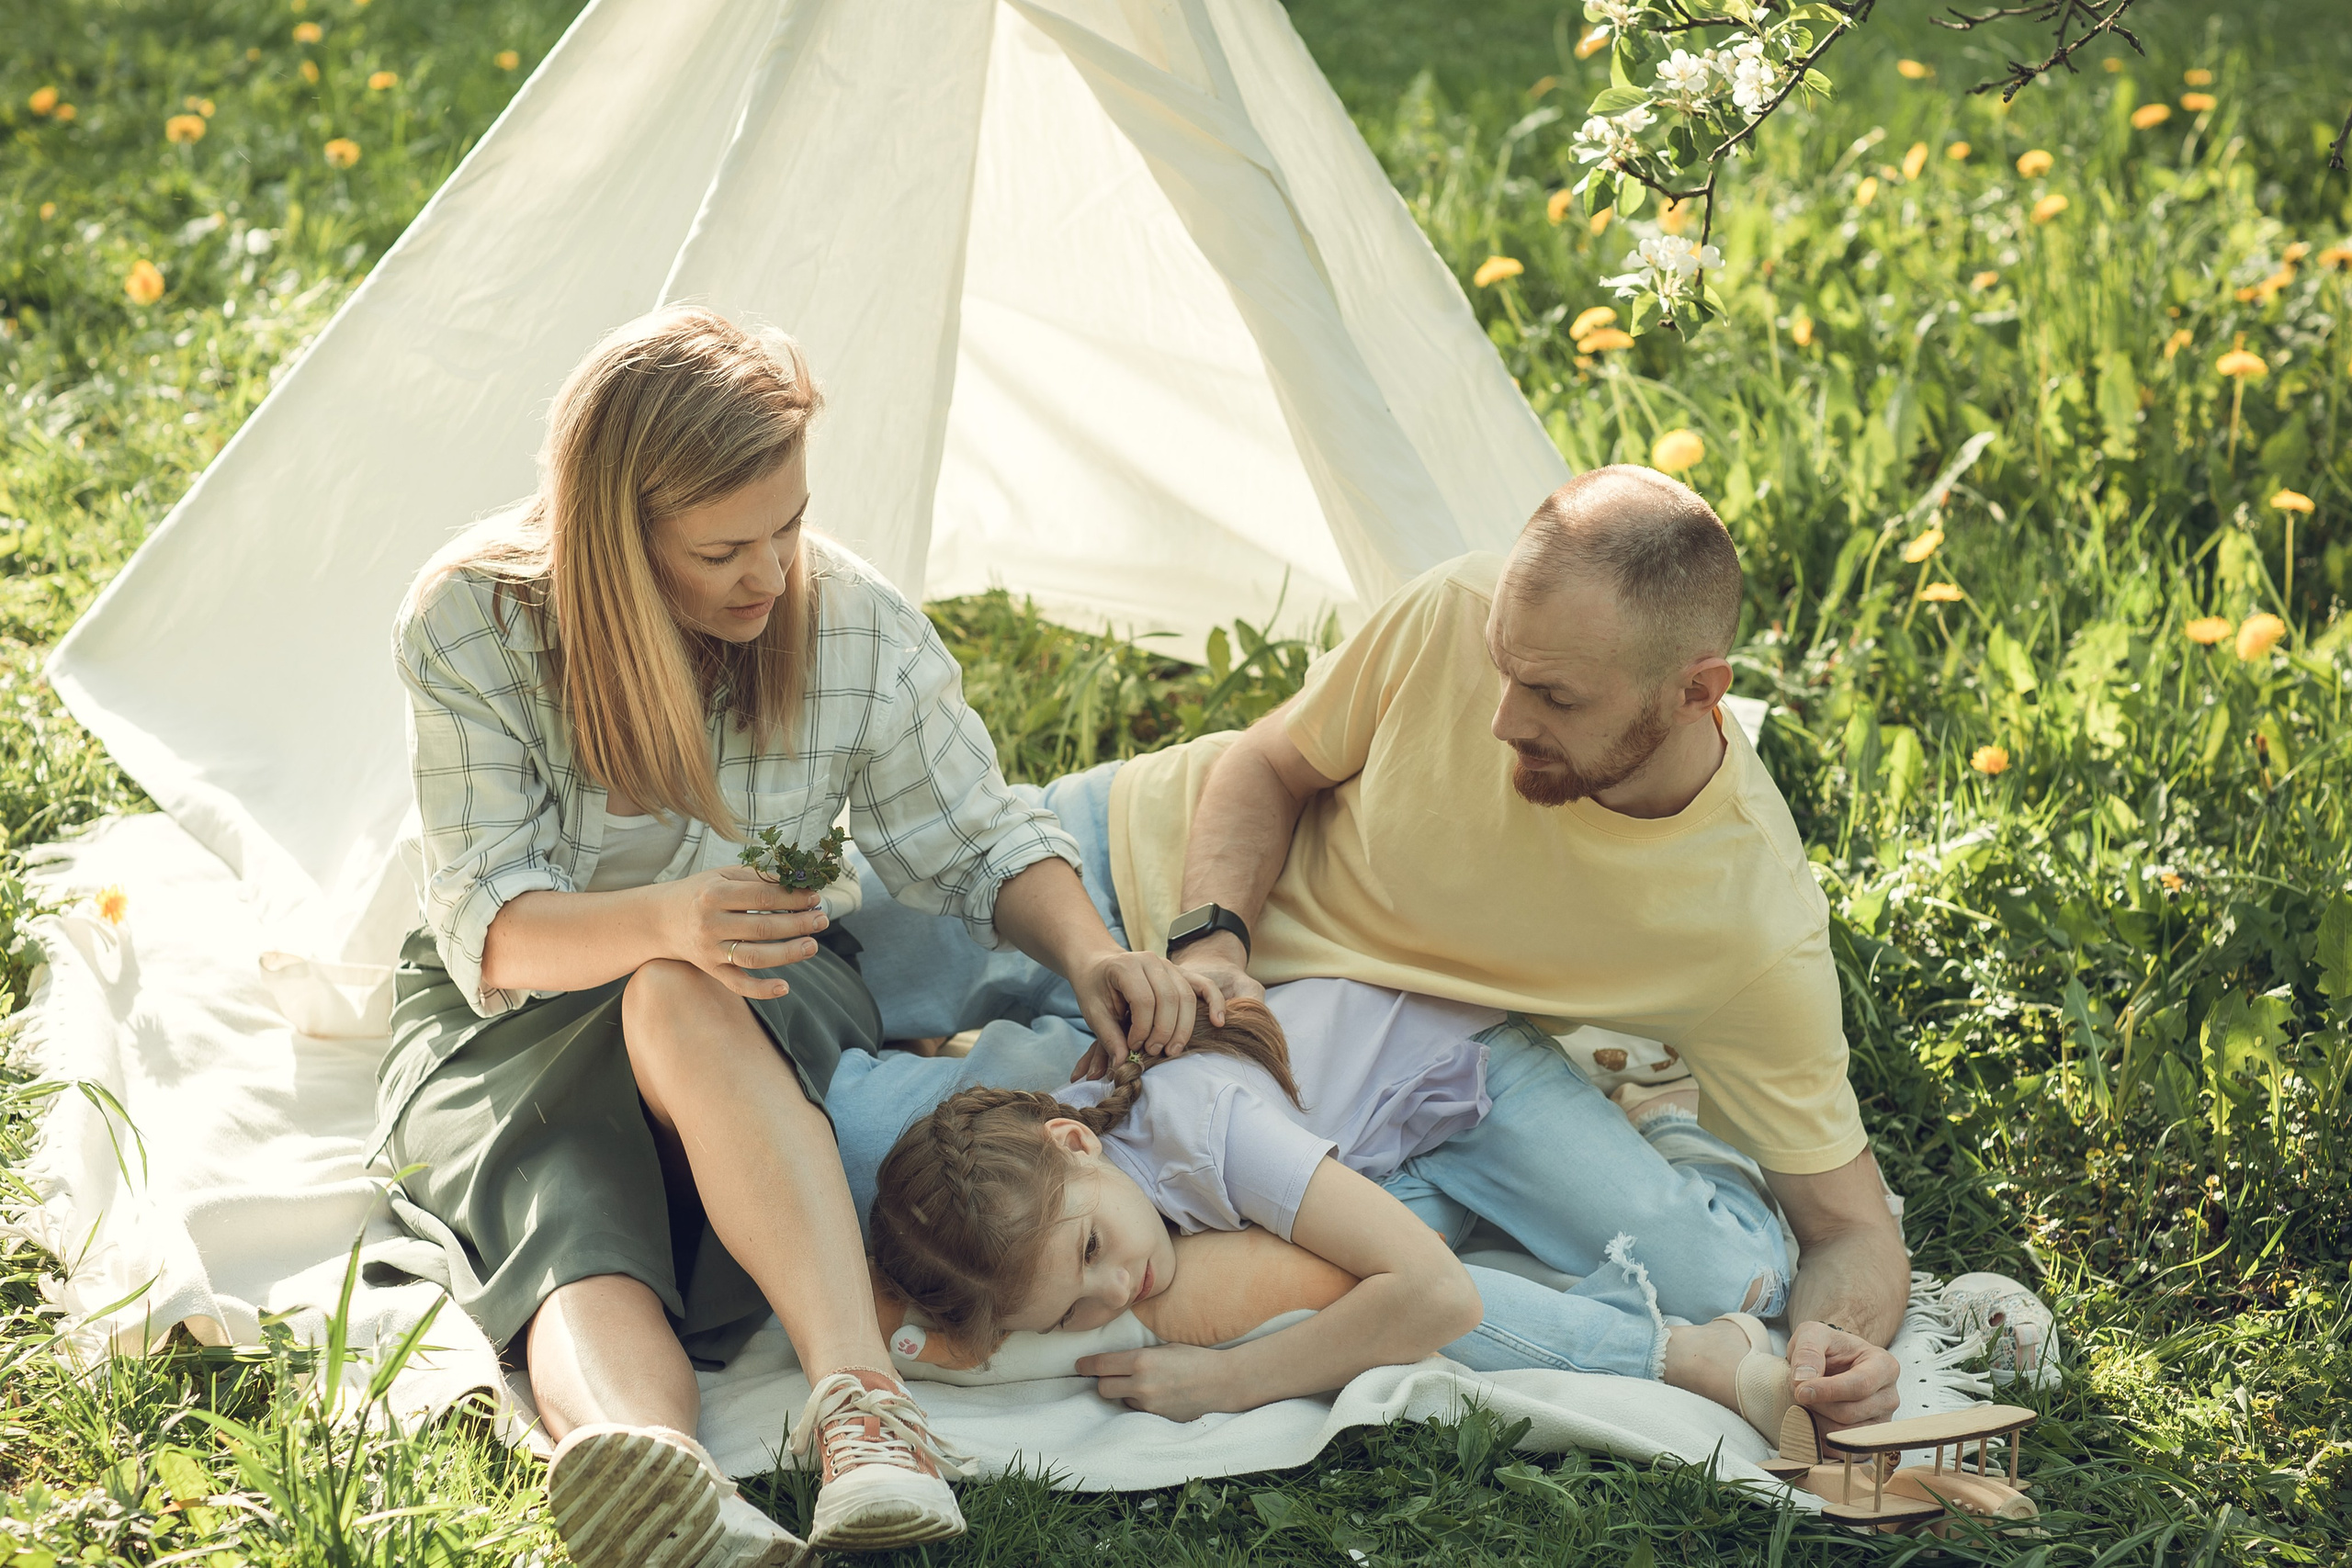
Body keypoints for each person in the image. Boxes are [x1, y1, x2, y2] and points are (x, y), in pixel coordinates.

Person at [378, 307, 1215, 1568]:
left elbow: (977, 832)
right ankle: (667, 1486)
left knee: (673, 991)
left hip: (761, 990)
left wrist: (1090, 950)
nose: (771, 573)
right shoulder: (477, 622)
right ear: (617, 533)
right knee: (572, 1211)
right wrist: (668, 916)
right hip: (519, 1010)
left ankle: (861, 1415)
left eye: (789, 524)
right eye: (725, 547)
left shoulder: (847, 624)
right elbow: (490, 926)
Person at [842, 466, 1910, 1427]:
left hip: (1405, 1061)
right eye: (1501, 666)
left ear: (1696, 693)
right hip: (1137, 876)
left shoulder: (1744, 923)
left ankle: (1628, 1121)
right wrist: (1213, 947)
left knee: (1726, 1281)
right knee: (815, 1011)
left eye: (1551, 696)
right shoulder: (1452, 609)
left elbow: (1849, 1228)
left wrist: (1843, 1347)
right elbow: (1264, 767)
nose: (1496, 719)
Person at [857, 981, 1811, 1438]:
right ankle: (1677, 1346)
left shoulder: (1203, 1127)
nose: (1114, 1293)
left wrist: (1234, 1382)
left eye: (1094, 1252)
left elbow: (1440, 1300)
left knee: (1742, 1281)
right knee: (1346, 1292)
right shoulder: (1051, 1197)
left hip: (1461, 1083)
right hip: (1374, 1164)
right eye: (1070, 1314)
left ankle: (1673, 1130)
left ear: (1075, 1142)